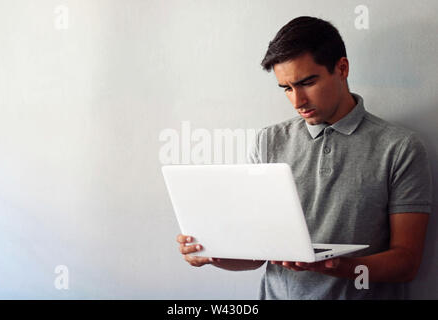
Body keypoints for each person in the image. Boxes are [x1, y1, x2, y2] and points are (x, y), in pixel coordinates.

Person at [176, 16, 432, 299]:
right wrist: (212, 254)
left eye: (307, 82)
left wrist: (339, 268)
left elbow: (406, 263)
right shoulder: (267, 142)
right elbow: (257, 256)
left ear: (342, 68)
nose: (297, 101)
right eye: (286, 88)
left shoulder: (400, 148)